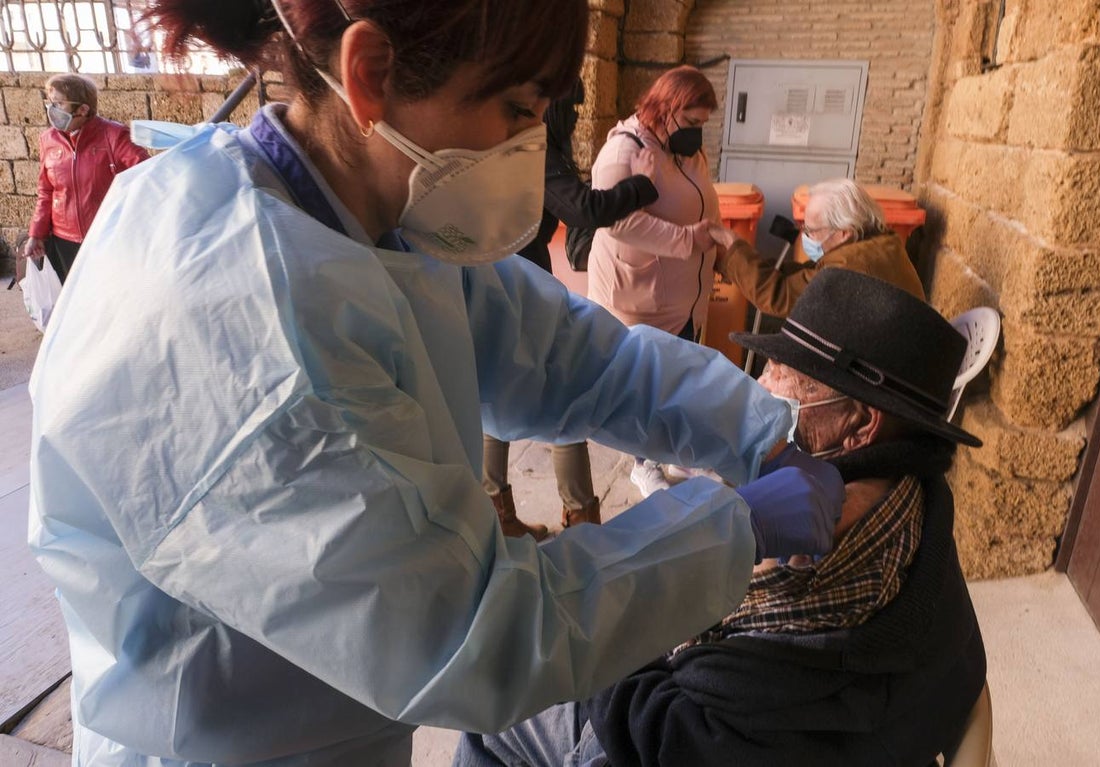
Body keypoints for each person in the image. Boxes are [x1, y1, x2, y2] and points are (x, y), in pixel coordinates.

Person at [26, 2, 845, 765]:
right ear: (372, 75)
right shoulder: (253, 327)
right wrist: (730, 529)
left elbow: (567, 354)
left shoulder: (373, 218)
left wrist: (758, 425)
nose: (531, 146)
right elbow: (477, 632)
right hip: (236, 741)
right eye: (518, 110)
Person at [455, 269, 987, 767]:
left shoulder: (816, 569)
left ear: (860, 425)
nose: (763, 378)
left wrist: (606, 650)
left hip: (677, 738)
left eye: (788, 372)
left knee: (491, 717)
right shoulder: (917, 500)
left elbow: (670, 733)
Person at [486, 78, 660, 538]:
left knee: (499, 392)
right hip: (516, 279)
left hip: (513, 273)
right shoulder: (535, 146)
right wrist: (643, 185)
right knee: (559, 390)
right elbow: (583, 208)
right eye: (572, 110)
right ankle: (581, 519)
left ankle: (498, 512)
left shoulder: (523, 139)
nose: (577, 119)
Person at [585, 65, 720, 499]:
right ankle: (643, 465)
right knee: (644, 384)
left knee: (680, 376)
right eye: (693, 122)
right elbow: (616, 221)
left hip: (684, 292)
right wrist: (687, 239)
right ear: (666, 109)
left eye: (703, 123)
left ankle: (679, 451)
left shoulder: (686, 150)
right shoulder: (623, 151)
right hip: (638, 295)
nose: (698, 133)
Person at [710, 177, 924, 321]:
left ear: (843, 232)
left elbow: (779, 296)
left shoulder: (850, 267)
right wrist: (743, 261)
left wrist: (732, 248)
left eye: (811, 230)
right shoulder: (880, 242)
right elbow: (810, 276)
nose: (805, 236)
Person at [21, 73, 150, 283]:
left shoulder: (114, 136)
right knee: (75, 301)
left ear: (82, 109)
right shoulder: (48, 140)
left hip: (106, 236)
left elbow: (146, 173)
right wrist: (36, 234)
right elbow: (46, 191)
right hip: (64, 240)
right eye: (50, 103)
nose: (51, 110)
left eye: (59, 104)